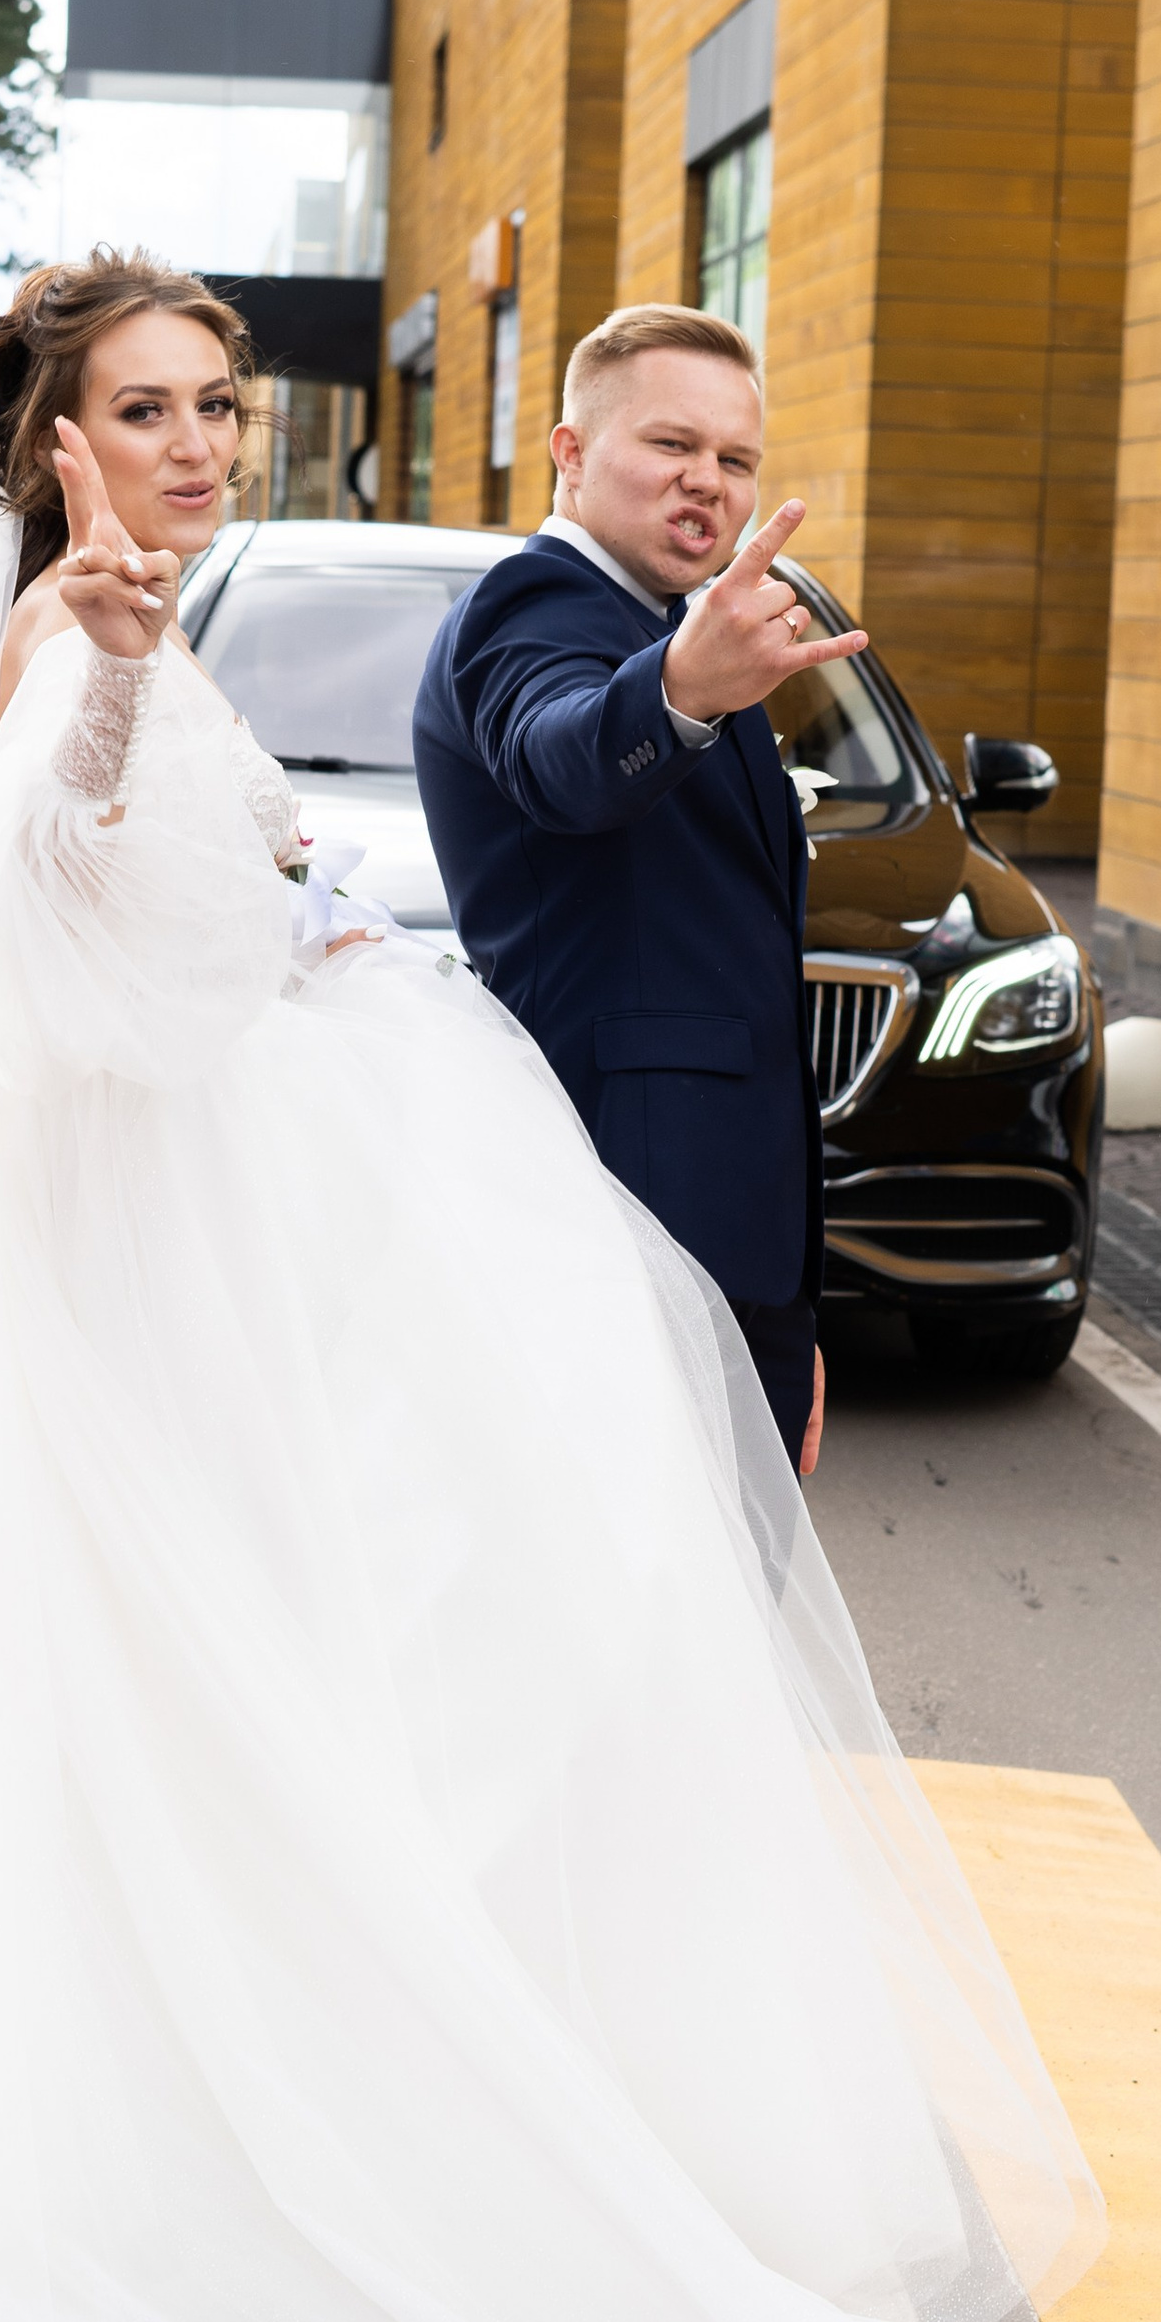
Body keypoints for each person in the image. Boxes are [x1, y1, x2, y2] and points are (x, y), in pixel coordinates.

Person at [0, 249, 1107, 2322]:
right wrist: (100, 704)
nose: (199, 442)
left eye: (216, 404)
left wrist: (288, 898)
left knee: (245, 1703)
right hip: (173, 1248)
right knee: (313, 1672)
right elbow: (16, 892)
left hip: (220, 1228)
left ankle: (266, 2096)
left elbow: (169, 890)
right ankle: (318, 2145)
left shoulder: (156, 626)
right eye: (151, 407)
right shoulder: (84, 642)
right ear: (51, 439)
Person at [411, 306, 852, 1475]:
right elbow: (562, 759)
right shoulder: (536, 606)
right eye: (670, 446)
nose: (706, 482)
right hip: (625, 1220)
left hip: (729, 1241)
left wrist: (788, 1328)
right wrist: (679, 692)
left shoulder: (673, 621)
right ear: (568, 451)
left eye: (736, 459)